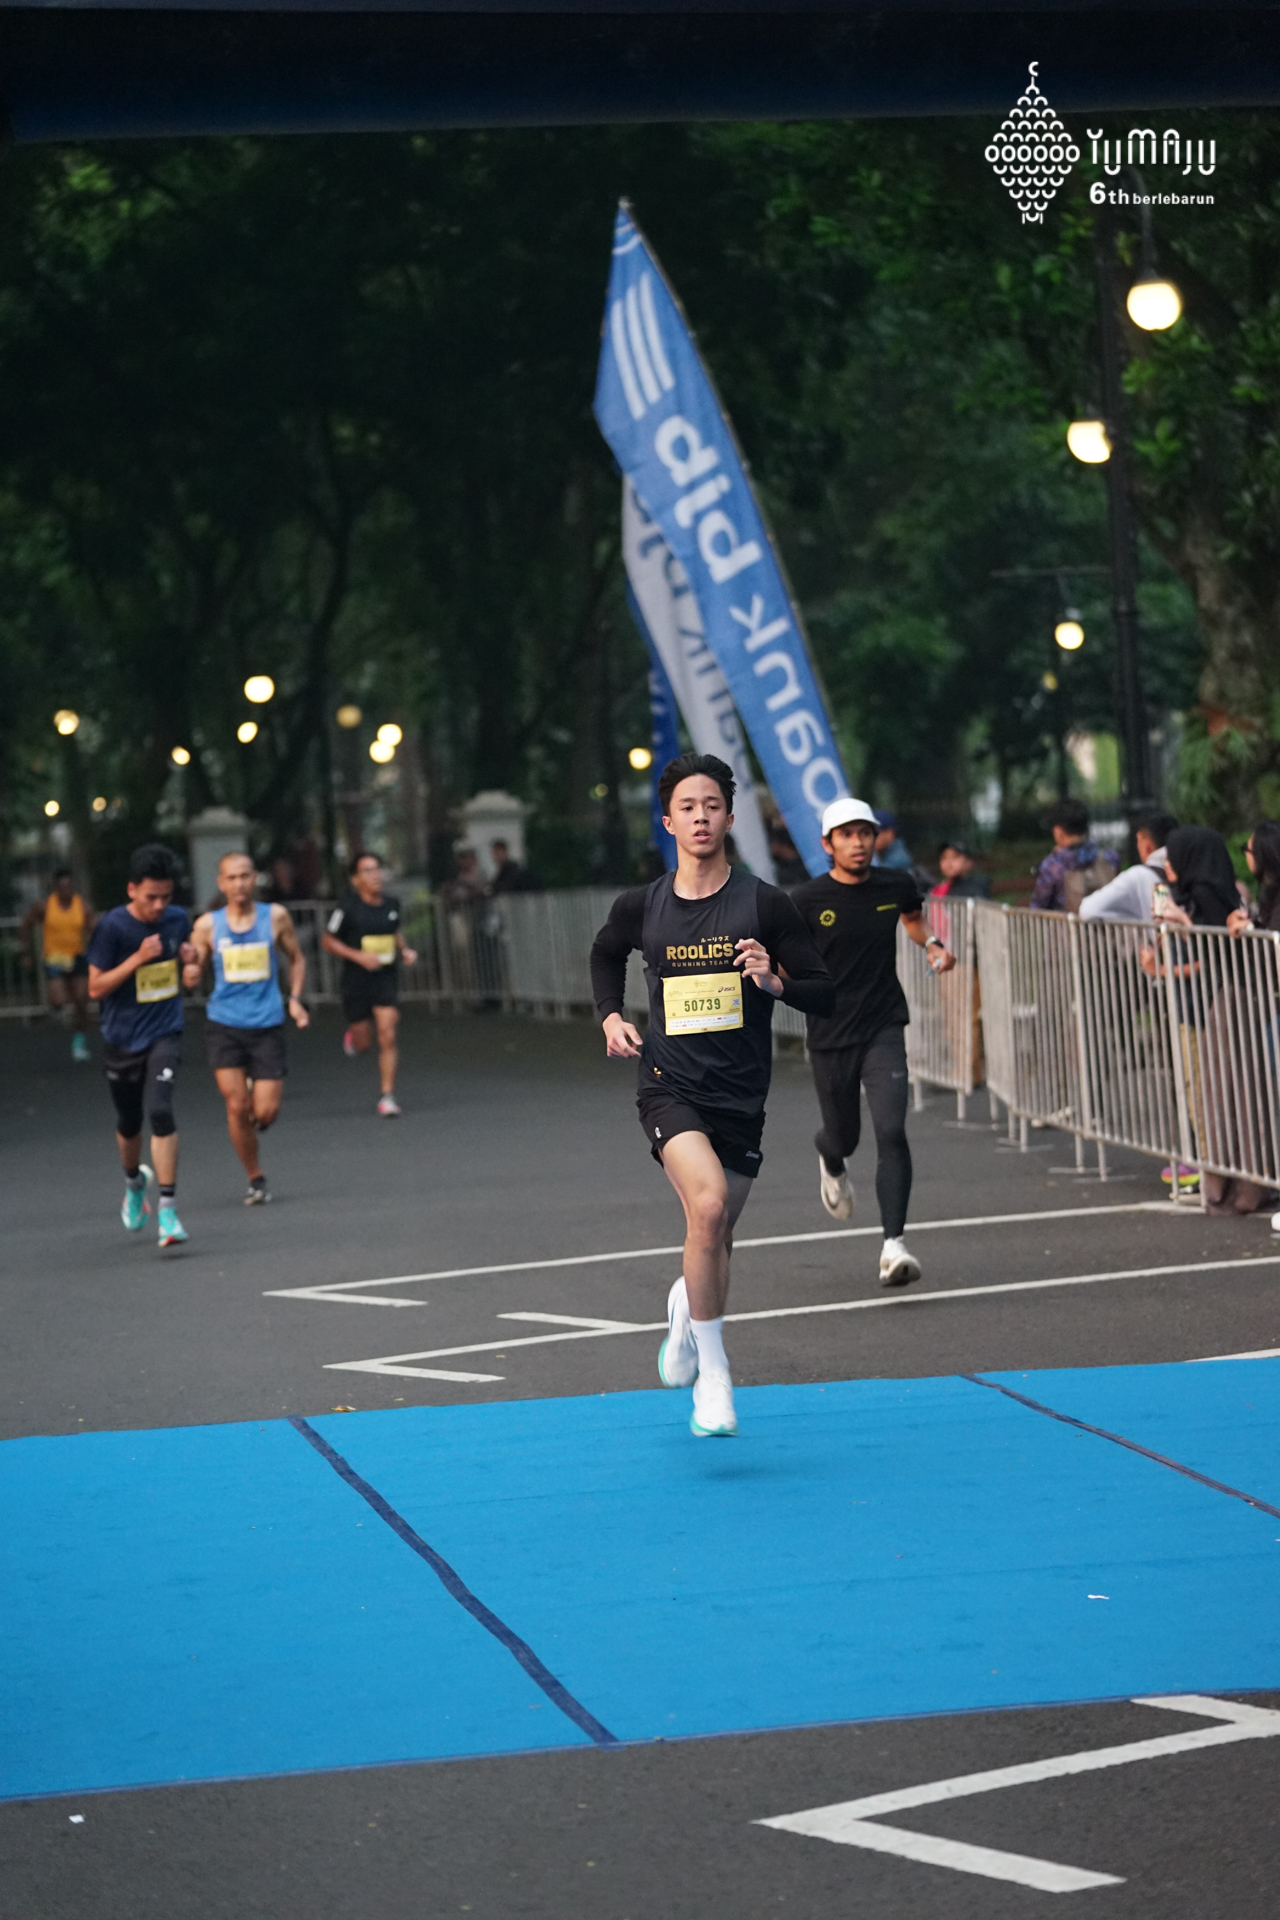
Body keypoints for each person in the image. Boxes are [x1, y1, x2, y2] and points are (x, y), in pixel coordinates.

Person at [589, 752, 834, 1439]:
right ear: (669, 821)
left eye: (712, 806)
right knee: (708, 1204)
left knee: (715, 1234)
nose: (700, 817)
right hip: (669, 1086)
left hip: (740, 1096)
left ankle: (684, 1310)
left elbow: (823, 991)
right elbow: (605, 952)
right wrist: (610, 1015)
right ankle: (716, 1374)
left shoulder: (765, 904)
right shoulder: (644, 905)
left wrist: (776, 982)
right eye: (687, 807)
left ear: (729, 818)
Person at [792, 797, 957, 1288]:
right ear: (828, 845)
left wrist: (932, 945)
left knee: (891, 1130)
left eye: (865, 833)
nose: (858, 842)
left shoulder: (895, 884)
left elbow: (912, 919)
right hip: (831, 1034)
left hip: (884, 1025)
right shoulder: (807, 900)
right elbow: (784, 960)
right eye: (846, 835)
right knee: (843, 1136)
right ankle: (830, 1158)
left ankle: (893, 1246)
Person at [182, 852, 310, 1204]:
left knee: (265, 1113)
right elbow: (194, 968)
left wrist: (295, 999)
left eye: (244, 876)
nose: (239, 884)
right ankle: (256, 1177)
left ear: (254, 879)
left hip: (266, 1022)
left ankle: (256, 1102)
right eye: (231, 878)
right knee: (237, 1105)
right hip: (224, 1023)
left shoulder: (275, 917)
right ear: (221, 884)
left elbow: (296, 958)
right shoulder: (208, 925)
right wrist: (190, 973)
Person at [86, 844, 197, 1249]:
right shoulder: (112, 928)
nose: (159, 906)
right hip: (122, 1038)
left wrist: (193, 965)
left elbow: (188, 960)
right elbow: (95, 987)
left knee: (161, 1111)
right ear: (132, 890)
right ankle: (134, 1183)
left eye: (166, 897)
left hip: (165, 1031)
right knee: (129, 1122)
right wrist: (136, 959)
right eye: (151, 897)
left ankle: (168, 1210)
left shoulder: (177, 919)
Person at [322, 852, 417, 1116]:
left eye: (377, 869)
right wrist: (358, 957)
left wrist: (405, 950)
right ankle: (354, 1040)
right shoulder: (346, 907)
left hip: (385, 978)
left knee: (388, 1034)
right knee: (364, 1042)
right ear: (355, 879)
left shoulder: (392, 904)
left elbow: (394, 931)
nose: (375, 875)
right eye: (367, 871)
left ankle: (387, 1096)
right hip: (356, 980)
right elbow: (328, 941)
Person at [23, 869, 96, 1060]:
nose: (66, 891)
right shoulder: (45, 906)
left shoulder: (82, 907)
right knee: (58, 1000)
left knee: (82, 1000)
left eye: (69, 887)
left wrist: (96, 948)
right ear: (56, 888)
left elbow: (93, 929)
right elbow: (26, 925)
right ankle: (54, 1010)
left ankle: (79, 1041)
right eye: (62, 887)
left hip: (76, 957)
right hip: (54, 958)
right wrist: (26, 952)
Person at [1079, 810, 1179, 922]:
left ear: (1147, 846)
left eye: (1139, 840)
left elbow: (1088, 910)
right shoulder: (1187, 868)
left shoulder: (1138, 876)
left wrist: (1131, 920)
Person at [1029, 799, 1119, 912]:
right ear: (1087, 828)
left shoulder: (1052, 866)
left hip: (1066, 923)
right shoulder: (1110, 857)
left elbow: (1038, 908)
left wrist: (1056, 855)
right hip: (1107, 923)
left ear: (1058, 832)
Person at [1228, 821, 1280, 936]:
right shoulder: (1270, 892)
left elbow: (1274, 935)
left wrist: (1249, 929)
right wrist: (1249, 924)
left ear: (1261, 855)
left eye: (1246, 849)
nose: (1246, 855)